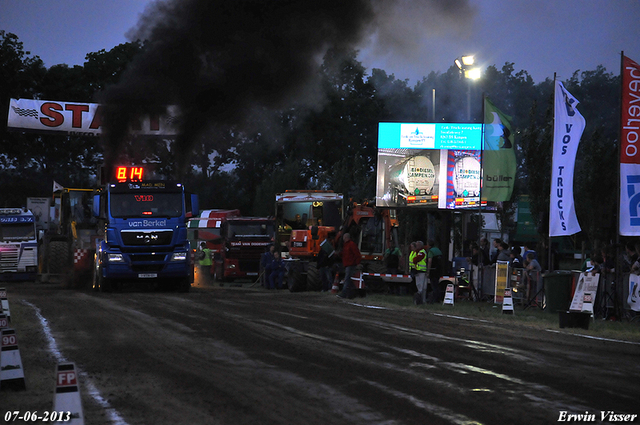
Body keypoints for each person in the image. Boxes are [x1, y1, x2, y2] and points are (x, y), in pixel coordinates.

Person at [337, 233, 361, 299]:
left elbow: (357, 254)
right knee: (349, 280)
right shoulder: (347, 245)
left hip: (350, 264)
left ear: (345, 237)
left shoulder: (351, 244)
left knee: (347, 279)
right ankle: (352, 294)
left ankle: (344, 294)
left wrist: (357, 263)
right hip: (348, 264)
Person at [426, 239, 444, 304]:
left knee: (433, 285)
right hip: (439, 270)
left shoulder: (431, 251)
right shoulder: (438, 250)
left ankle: (434, 299)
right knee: (437, 284)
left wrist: (428, 271)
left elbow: (430, 261)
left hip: (433, 270)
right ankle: (438, 298)